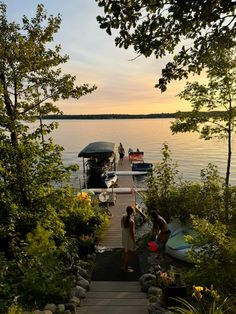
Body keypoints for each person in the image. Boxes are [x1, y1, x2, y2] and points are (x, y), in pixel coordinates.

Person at [121, 206, 136, 272]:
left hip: (124, 236)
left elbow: (122, 226)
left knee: (125, 251)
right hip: (128, 238)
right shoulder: (131, 221)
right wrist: (134, 241)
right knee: (128, 254)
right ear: (132, 212)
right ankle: (126, 269)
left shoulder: (123, 217)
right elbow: (131, 233)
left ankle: (124, 266)